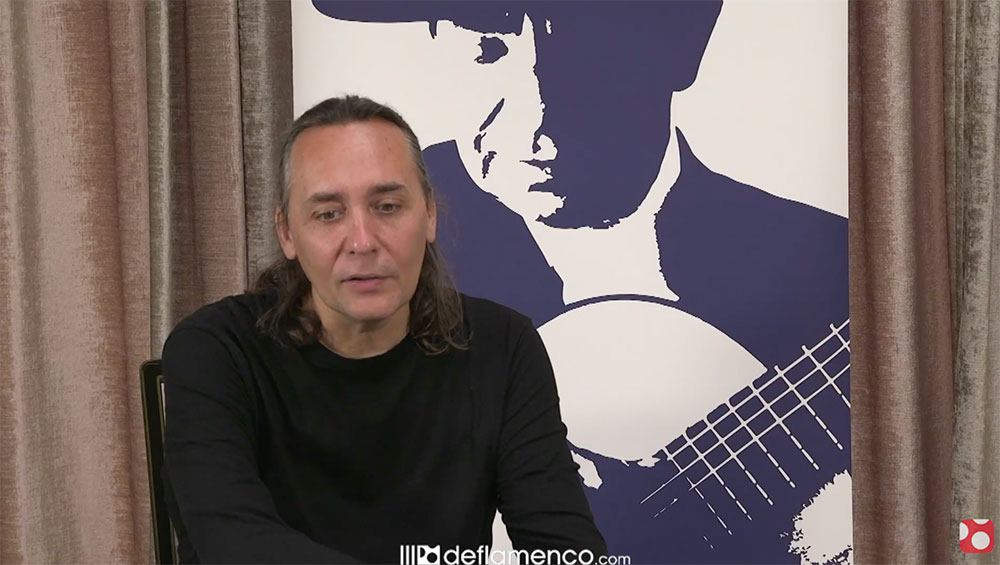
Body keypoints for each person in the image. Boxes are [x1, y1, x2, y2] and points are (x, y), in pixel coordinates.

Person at [311, 3, 851, 563]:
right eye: (487, 47)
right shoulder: (366, 254)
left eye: (586, 51)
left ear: (686, 46)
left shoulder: (830, 268)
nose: (536, 123)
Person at [161, 95, 608, 564]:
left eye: (388, 206)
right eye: (328, 214)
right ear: (287, 233)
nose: (362, 241)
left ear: (429, 216)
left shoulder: (503, 346)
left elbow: (567, 549)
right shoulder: (216, 350)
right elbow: (231, 542)